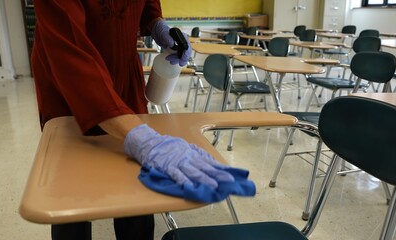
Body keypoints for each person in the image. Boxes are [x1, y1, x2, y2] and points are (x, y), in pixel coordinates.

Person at [32, 1, 251, 240]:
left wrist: (156, 23)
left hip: (124, 70)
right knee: (72, 185)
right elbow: (68, 44)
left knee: (135, 180)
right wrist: (145, 140)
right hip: (68, 76)